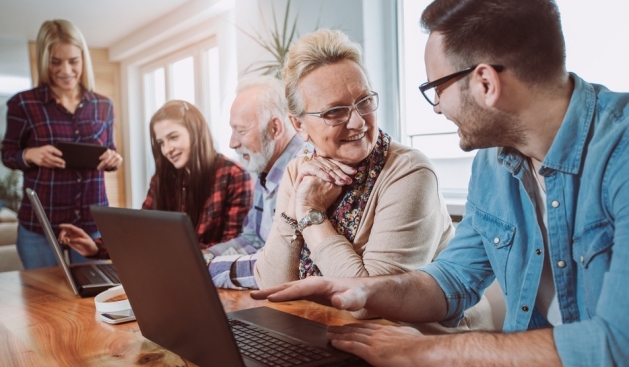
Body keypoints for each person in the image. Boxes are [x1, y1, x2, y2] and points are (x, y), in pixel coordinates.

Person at [251, 0, 629, 365]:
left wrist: (425, 351)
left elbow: (618, 344)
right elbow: (453, 279)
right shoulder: (493, 161)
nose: (436, 107)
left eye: (438, 88)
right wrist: (362, 289)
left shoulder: (621, 154)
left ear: (485, 83)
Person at [247, 29, 491, 331]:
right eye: (335, 112)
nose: (358, 121)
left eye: (364, 101)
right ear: (298, 125)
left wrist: (310, 212)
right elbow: (272, 288)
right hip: (334, 335)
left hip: (431, 344)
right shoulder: (300, 171)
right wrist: (292, 210)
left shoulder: (409, 172)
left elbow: (368, 303)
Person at [59, 100, 253, 258]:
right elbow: (142, 232)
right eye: (161, 142)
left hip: (215, 277)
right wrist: (95, 247)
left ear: (196, 133)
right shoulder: (161, 179)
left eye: (173, 137)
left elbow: (233, 246)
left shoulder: (233, 176)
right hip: (169, 272)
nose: (167, 149)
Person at [0, 19, 123, 269]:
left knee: (92, 301)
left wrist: (114, 160)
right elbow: (7, 154)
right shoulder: (23, 104)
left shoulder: (103, 105)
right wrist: (30, 155)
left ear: (83, 59)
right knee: (42, 304)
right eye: (56, 62)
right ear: (45, 61)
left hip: (92, 227)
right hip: (40, 227)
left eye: (73, 61)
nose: (66, 70)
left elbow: (110, 151)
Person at [205, 76, 305, 288]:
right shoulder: (265, 166)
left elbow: (286, 267)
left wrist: (209, 269)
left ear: (275, 129)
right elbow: (253, 240)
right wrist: (204, 256)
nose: (232, 143)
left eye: (241, 131)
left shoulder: (303, 173)